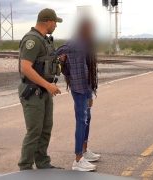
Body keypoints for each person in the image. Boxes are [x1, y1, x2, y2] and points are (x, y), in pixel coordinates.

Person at [17, 8, 65, 170]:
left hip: (43, 91)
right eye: (55, 23)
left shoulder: (44, 40)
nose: (56, 26)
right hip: (33, 92)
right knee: (34, 131)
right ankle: (25, 167)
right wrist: (47, 85)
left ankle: (43, 163)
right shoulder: (33, 40)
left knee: (45, 129)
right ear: (48, 21)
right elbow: (26, 67)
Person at [57, 19, 100, 172]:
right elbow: (59, 51)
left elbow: (90, 66)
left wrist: (92, 90)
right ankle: (77, 159)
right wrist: (62, 58)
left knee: (88, 118)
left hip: (87, 86)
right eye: (90, 28)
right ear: (83, 29)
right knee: (81, 120)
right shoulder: (74, 42)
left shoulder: (86, 42)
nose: (92, 31)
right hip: (78, 87)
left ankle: (85, 151)